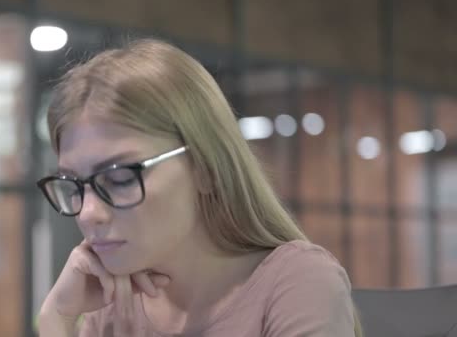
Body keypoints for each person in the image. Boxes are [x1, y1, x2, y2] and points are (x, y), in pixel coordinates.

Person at [37, 39, 363, 337]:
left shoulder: (297, 284)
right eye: (75, 185)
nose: (88, 213)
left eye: (120, 176)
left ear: (205, 167)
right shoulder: (112, 305)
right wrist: (56, 319)